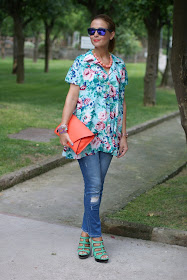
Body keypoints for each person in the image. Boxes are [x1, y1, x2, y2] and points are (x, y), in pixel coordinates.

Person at [58, 14, 128, 263]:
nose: (95, 35)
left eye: (101, 31)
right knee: (95, 186)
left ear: (111, 34)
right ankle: (97, 239)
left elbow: (121, 102)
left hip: (110, 136)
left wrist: (123, 135)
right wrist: (63, 127)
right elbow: (71, 97)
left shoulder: (119, 66)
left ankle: (84, 233)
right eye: (92, 31)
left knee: (95, 188)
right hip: (85, 136)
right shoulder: (81, 62)